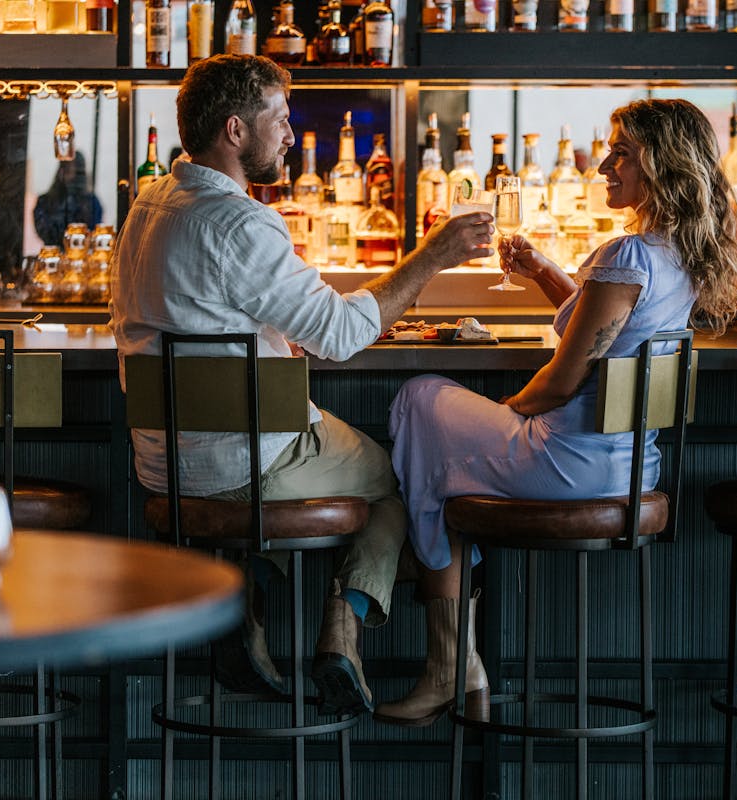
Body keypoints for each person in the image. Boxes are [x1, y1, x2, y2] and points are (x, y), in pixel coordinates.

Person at [109, 55, 492, 716]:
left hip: (164, 466)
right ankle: (340, 633)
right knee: (401, 477)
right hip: (246, 462)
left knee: (306, 466)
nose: (289, 134)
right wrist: (431, 256)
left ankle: (245, 596)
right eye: (279, 120)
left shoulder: (148, 204)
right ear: (234, 131)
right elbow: (341, 336)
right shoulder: (242, 223)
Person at [376, 98, 737, 727]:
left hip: (568, 464)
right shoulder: (676, 254)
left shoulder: (627, 254)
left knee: (421, 401)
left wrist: (506, 413)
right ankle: (448, 648)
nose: (605, 163)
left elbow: (561, 381)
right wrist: (545, 273)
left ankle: (447, 658)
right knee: (438, 457)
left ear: (661, 165)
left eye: (622, 151)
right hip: (630, 466)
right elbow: (606, 328)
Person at [33, 152, 103, 247]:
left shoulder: (92, 203)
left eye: (71, 167)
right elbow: (45, 232)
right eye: (65, 166)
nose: (67, 170)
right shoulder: (45, 201)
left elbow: (92, 232)